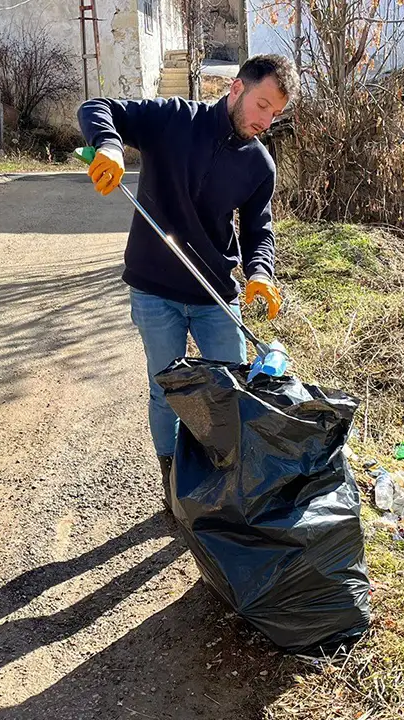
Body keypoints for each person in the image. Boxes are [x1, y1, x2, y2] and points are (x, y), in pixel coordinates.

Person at [77, 54, 299, 506]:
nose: (265, 121)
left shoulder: (260, 165)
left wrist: (260, 272)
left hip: (215, 293)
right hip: (155, 290)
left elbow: (258, 231)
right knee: (168, 393)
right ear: (236, 88)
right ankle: (173, 482)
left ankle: (227, 484)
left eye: (275, 114)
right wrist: (110, 146)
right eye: (262, 105)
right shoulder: (173, 119)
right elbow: (96, 108)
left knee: (231, 393)